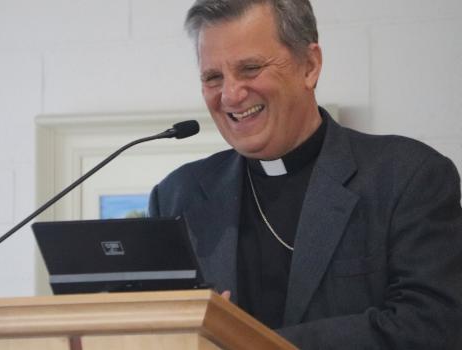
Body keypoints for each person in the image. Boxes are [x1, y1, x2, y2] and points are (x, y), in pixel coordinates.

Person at [149, 0, 462, 348]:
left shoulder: (406, 176)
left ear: (310, 66)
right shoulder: (178, 196)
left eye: (251, 68)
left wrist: (248, 343)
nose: (231, 95)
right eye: (213, 77)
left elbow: (433, 325)